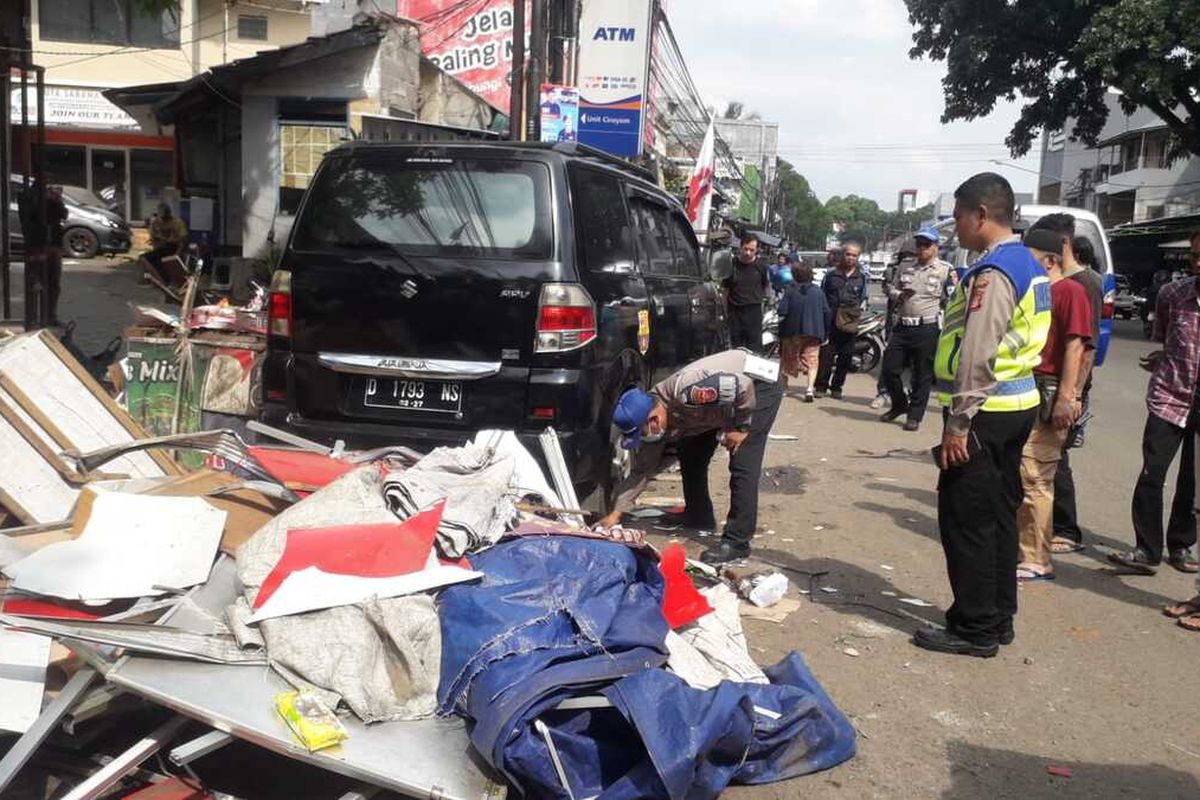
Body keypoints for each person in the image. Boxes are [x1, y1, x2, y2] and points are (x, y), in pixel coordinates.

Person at [915, 172, 1051, 658]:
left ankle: (974, 628)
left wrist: (958, 422)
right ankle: (997, 616)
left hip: (984, 410)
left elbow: (977, 351)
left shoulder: (994, 272)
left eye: (957, 217)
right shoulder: (1030, 264)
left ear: (981, 215)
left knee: (966, 519)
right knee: (997, 516)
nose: (956, 227)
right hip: (1016, 405)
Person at [599, 350, 785, 565]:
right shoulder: (656, 414)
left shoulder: (689, 391)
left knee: (743, 462)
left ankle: (737, 542)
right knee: (690, 451)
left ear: (654, 419)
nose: (644, 437)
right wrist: (616, 514)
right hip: (722, 403)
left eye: (641, 432)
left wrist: (741, 427)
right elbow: (642, 471)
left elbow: (743, 386)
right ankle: (699, 515)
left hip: (758, 386)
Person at [1110, 232, 1200, 576]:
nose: (1197, 262)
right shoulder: (1173, 294)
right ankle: (1147, 549)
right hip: (1169, 397)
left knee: (1192, 483)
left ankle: (1180, 545)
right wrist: (1163, 357)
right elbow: (1164, 337)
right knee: (1153, 473)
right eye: (1194, 256)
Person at [1014, 229, 1093, 581]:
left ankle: (1036, 557)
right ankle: (1024, 549)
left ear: (1050, 260)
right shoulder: (1038, 292)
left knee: (1036, 476)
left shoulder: (1070, 292)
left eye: (1031, 257)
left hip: (1048, 390)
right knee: (1022, 473)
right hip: (1025, 386)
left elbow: (1078, 348)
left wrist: (1068, 396)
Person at [1034, 221, 1106, 554]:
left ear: (1060, 245)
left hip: (1064, 386)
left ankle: (1065, 528)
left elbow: (1083, 345)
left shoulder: (1082, 284)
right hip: (1050, 384)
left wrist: (1073, 393)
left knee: (1054, 460)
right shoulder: (1050, 286)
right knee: (1041, 462)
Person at [879, 227, 955, 432]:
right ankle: (899, 405)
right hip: (903, 325)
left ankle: (914, 415)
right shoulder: (905, 266)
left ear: (936, 247)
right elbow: (889, 287)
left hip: (927, 327)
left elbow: (952, 299)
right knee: (889, 369)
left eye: (926, 245)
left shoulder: (945, 270)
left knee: (923, 374)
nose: (921, 249)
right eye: (919, 244)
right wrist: (898, 295)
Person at [814, 240, 868, 399]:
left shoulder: (862, 277)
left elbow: (863, 298)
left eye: (854, 255)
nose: (851, 258)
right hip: (830, 322)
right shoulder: (831, 275)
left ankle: (837, 387)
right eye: (848, 254)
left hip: (849, 323)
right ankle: (821, 386)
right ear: (842, 255)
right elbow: (822, 296)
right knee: (826, 356)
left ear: (858, 257)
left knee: (846, 356)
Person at [778, 261, 831, 402]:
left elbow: (782, 311)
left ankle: (785, 388)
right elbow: (827, 312)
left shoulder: (790, 290)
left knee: (786, 360)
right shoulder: (818, 291)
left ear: (795, 275)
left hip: (792, 332)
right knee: (812, 360)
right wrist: (825, 333)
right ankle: (809, 389)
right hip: (814, 332)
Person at [722, 233, 769, 352]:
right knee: (736, 348)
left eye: (751, 250)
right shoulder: (731, 265)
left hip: (753, 312)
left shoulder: (761, 266)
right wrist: (725, 311)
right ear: (740, 247)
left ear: (756, 250)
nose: (748, 253)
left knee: (754, 349)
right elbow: (725, 290)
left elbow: (765, 287)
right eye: (745, 249)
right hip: (735, 312)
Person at [142, 202, 188, 286]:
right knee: (146, 259)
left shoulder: (177, 222)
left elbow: (183, 240)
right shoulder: (156, 222)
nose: (163, 220)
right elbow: (153, 236)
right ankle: (159, 279)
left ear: (169, 214)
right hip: (161, 248)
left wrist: (178, 253)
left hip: (173, 247)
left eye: (165, 218)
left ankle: (163, 280)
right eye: (162, 218)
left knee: (161, 259)